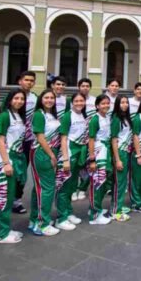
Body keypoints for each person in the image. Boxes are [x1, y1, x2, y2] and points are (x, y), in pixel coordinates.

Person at [0, 90, 27, 244]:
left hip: (16, 158)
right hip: (5, 160)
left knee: (10, 197)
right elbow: (0, 140)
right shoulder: (5, 115)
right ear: (9, 100)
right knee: (3, 198)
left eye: (22, 99)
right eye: (16, 98)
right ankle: (0, 234)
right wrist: (6, 162)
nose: (19, 101)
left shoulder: (18, 116)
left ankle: (5, 229)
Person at [28, 89, 66, 236]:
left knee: (39, 188)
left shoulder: (52, 114)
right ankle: (41, 223)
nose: (50, 100)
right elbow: (40, 137)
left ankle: (34, 220)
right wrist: (51, 155)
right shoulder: (38, 114)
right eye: (46, 97)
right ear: (41, 99)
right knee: (47, 188)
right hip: (42, 153)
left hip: (51, 152)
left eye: (52, 98)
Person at [56, 92, 88, 229]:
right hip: (69, 152)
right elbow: (63, 138)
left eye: (82, 101)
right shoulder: (67, 116)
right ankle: (61, 218)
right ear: (71, 102)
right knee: (64, 186)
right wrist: (65, 159)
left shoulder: (83, 115)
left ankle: (68, 212)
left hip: (79, 151)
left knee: (72, 185)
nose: (79, 103)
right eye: (76, 101)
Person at [12, 71, 37, 215]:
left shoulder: (34, 98)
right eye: (26, 80)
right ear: (20, 81)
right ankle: (3, 201)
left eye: (31, 80)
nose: (29, 82)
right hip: (13, 141)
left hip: (28, 141)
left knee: (22, 173)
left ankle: (16, 200)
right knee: (9, 173)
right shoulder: (13, 97)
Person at [87, 95, 113, 225]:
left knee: (103, 182)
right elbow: (91, 139)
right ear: (97, 105)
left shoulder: (107, 117)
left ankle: (96, 207)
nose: (106, 106)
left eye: (107, 103)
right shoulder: (95, 119)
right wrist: (92, 159)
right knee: (97, 182)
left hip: (106, 151)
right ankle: (94, 215)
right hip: (98, 151)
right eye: (103, 103)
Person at [109, 96, 134, 221]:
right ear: (117, 104)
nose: (125, 105)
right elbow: (114, 140)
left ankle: (118, 205)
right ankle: (115, 211)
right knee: (119, 183)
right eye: (122, 102)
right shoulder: (116, 119)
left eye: (126, 102)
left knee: (122, 182)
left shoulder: (126, 118)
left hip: (127, 152)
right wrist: (117, 159)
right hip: (120, 152)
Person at [72, 78, 96, 201]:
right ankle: (72, 188)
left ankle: (82, 188)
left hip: (90, 138)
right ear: (79, 87)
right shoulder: (76, 101)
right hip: (76, 139)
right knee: (75, 165)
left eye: (87, 85)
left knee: (87, 164)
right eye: (83, 85)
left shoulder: (94, 100)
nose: (85, 88)